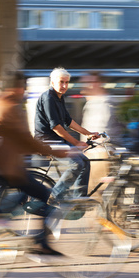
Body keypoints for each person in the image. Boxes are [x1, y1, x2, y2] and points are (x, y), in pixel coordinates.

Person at [0, 71, 68, 255]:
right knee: (49, 197)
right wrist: (58, 152)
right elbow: (25, 140)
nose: (25, 92)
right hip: (5, 168)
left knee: (22, 195)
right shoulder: (11, 108)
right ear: (17, 88)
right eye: (24, 87)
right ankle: (39, 243)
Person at [34, 67, 99, 201]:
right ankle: (55, 195)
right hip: (47, 142)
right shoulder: (48, 98)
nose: (64, 86)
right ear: (52, 82)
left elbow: (69, 122)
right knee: (76, 164)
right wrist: (76, 143)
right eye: (61, 82)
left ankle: (79, 200)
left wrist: (88, 134)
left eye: (67, 82)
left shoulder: (59, 97)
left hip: (56, 140)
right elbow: (57, 127)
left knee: (85, 161)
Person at [79, 71, 126, 145]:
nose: (84, 86)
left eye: (88, 82)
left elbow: (101, 138)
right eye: (82, 83)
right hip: (91, 152)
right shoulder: (90, 103)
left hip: (100, 153)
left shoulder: (106, 104)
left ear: (98, 83)